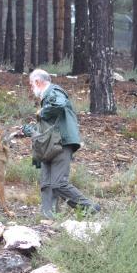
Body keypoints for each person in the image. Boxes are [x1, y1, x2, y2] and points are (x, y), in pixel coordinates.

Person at [19, 69, 100, 218]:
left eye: (31, 85)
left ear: (37, 82)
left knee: (58, 184)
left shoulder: (54, 91)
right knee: (46, 184)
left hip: (61, 143)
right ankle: (48, 218)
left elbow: (59, 105)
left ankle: (89, 208)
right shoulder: (47, 98)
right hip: (49, 145)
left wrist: (41, 113)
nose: (31, 89)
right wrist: (28, 130)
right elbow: (47, 127)